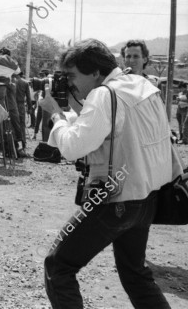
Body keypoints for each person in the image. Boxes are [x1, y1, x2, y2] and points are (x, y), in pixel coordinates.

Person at [40, 39, 178, 308]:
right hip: (147, 199)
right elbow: (110, 127)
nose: (69, 82)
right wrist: (76, 105)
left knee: (58, 266)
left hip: (115, 199)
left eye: (72, 76)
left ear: (94, 72)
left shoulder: (104, 95)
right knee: (136, 274)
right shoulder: (142, 86)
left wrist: (56, 116)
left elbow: (72, 147)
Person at [14, 72, 32, 153]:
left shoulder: (11, 82)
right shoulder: (25, 83)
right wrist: (30, 108)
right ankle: (23, 144)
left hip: (12, 105)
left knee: (13, 125)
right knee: (22, 125)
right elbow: (28, 97)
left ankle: (14, 144)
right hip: (21, 106)